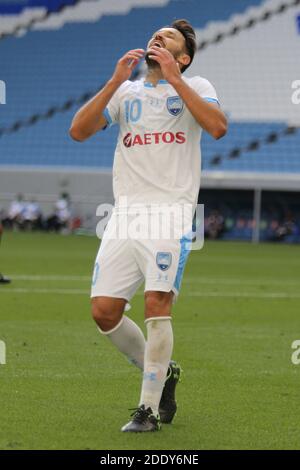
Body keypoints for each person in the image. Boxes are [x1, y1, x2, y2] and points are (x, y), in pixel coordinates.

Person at [70, 19, 227, 432]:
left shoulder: (198, 86)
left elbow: (217, 127)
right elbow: (78, 131)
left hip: (170, 213)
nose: (157, 37)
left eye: (169, 37)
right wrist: (113, 80)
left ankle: (147, 410)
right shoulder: (127, 92)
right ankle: (164, 371)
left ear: (183, 57)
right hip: (124, 215)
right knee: (104, 312)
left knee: (157, 305)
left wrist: (177, 80)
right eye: (155, 33)